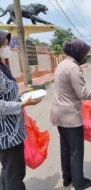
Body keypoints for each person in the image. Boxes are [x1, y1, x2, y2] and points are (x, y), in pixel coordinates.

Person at [50, 39, 91, 190]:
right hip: (70, 116)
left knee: (65, 148)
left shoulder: (62, 64)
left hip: (58, 114)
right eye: (84, 53)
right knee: (76, 151)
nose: (85, 56)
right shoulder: (73, 68)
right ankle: (79, 183)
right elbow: (83, 93)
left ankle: (68, 179)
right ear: (77, 52)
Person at [0, 30, 41, 190]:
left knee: (8, 170)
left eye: (6, 44)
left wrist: (23, 96)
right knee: (15, 173)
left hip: (12, 132)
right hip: (6, 134)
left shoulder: (3, 65)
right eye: (3, 44)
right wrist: (22, 104)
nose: (6, 47)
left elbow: (7, 94)